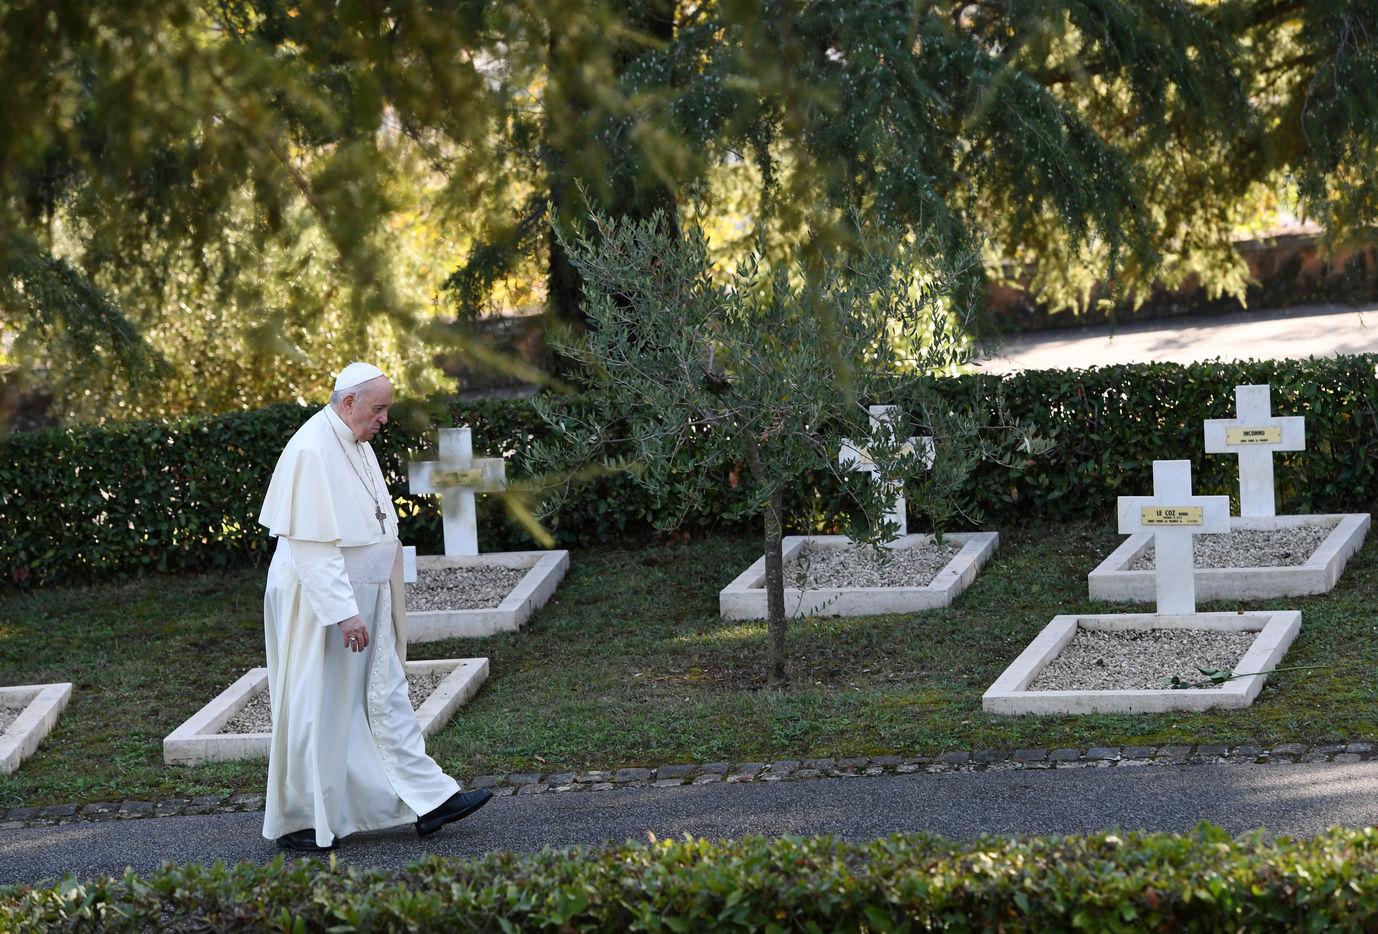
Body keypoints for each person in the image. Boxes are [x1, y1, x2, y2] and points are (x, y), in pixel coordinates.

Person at [257, 361, 490, 852]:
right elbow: (312, 548)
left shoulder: (354, 440)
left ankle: (430, 799)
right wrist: (344, 612)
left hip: (365, 592)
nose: (384, 419)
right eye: (378, 409)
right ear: (349, 402)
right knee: (317, 707)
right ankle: (302, 820)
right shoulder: (311, 448)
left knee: (386, 696)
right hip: (320, 604)